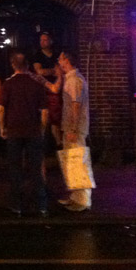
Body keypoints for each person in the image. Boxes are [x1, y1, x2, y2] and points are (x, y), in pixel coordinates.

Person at [0, 51, 49, 217]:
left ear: (13, 65)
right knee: (36, 168)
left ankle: (17, 206)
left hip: (14, 131)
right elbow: (44, 111)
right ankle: (41, 206)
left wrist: (2, 127)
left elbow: (1, 108)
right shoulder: (36, 84)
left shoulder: (8, 84)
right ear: (27, 65)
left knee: (15, 168)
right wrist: (41, 129)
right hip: (33, 131)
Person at [57, 50, 92, 212]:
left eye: (60, 58)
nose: (58, 61)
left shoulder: (74, 81)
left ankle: (83, 201)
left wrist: (73, 129)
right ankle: (75, 197)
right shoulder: (71, 79)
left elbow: (75, 106)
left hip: (75, 129)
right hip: (72, 127)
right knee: (72, 163)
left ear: (67, 60)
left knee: (78, 162)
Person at [31, 32, 64, 146]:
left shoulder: (57, 54)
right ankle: (42, 142)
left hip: (57, 89)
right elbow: (39, 72)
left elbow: (62, 70)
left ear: (51, 41)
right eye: (41, 40)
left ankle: (58, 144)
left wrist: (51, 72)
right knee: (44, 115)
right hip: (44, 89)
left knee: (56, 117)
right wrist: (54, 71)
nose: (42, 42)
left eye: (45, 40)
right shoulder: (37, 55)